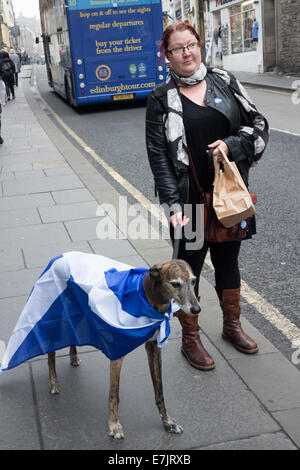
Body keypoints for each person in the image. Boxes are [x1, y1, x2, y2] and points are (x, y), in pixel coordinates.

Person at [146, 22, 269, 370]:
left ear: (200, 46)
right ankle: (191, 340)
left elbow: (259, 125)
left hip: (229, 198)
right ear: (166, 55)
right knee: (188, 272)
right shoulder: (160, 99)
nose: (187, 52)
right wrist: (172, 205)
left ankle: (232, 327)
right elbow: (159, 157)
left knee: (229, 264)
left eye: (191, 45)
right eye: (177, 48)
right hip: (189, 202)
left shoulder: (225, 82)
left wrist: (232, 144)